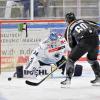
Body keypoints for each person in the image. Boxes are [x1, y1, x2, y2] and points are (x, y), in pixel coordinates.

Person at [61, 12, 100, 86]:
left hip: (84, 42)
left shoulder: (69, 27)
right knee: (92, 59)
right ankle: (99, 77)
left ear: (67, 20)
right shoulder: (83, 20)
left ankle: (68, 80)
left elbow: (71, 43)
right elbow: (97, 27)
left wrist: (74, 52)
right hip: (95, 39)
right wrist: (93, 34)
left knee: (70, 59)